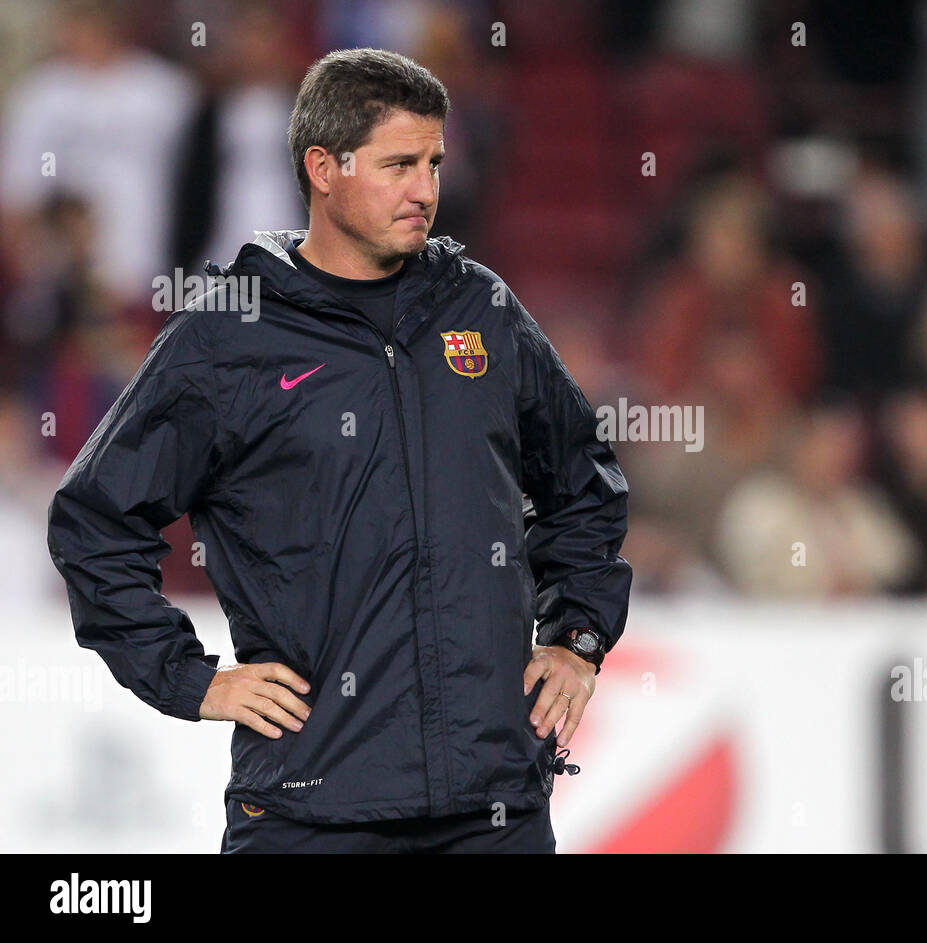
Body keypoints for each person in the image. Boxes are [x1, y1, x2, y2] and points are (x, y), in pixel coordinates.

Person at [46, 48, 633, 853]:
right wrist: (192, 679)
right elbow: (94, 522)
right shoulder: (229, 335)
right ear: (324, 167)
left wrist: (578, 637)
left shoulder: (483, 309)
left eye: (432, 162)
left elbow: (585, 484)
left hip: (491, 809)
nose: (425, 189)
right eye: (398, 164)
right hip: (307, 815)